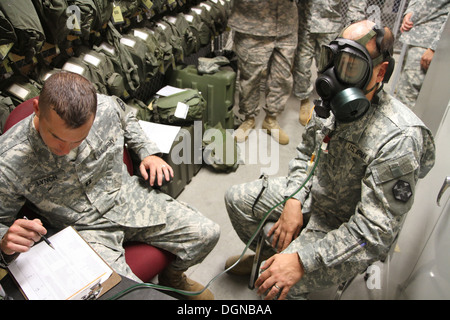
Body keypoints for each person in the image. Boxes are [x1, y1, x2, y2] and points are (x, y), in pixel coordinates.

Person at [224, 20, 435, 300]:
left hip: (346, 225)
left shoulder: (399, 137)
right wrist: (293, 198)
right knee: (236, 199)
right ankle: (269, 258)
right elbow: (304, 155)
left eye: (350, 65)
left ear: (380, 72)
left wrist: (302, 261)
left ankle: (280, 269)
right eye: (332, 59)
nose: (333, 75)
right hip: (314, 195)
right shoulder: (332, 106)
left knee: (276, 289)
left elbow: (373, 234)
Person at [0, 71, 220, 300]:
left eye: (78, 140)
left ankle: (172, 277)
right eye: (56, 137)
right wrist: (5, 240)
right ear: (37, 109)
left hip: (127, 199)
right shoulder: (8, 160)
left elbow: (128, 119)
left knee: (207, 234)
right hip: (84, 229)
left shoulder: (106, 107)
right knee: (132, 295)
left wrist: (147, 152)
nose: (65, 150)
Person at [229, 0, 298, 145]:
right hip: (252, 23)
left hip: (286, 23)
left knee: (282, 76)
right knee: (250, 77)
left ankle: (271, 120)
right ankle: (249, 119)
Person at [294, 0, 343, 126]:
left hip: (329, 23)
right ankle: (304, 99)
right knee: (301, 65)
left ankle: (326, 101)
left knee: (328, 67)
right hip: (305, 22)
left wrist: (354, 22)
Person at [396, 0, 450, 109]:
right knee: (402, 94)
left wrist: (435, 47)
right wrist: (410, 12)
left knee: (408, 101)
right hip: (414, 39)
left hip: (427, 46)